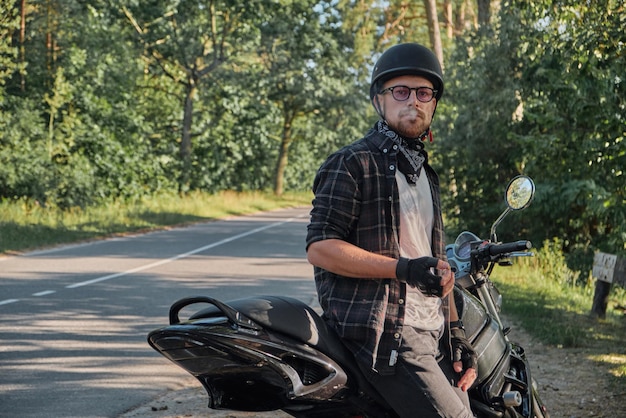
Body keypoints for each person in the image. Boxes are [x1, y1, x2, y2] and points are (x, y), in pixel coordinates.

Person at [306, 43, 477, 418]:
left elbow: (436, 263)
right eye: (400, 91)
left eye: (423, 93)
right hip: (386, 334)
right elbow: (320, 247)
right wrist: (403, 268)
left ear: (433, 103)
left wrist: (456, 329)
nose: (412, 101)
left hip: (433, 334)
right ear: (378, 100)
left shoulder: (426, 175)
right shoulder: (352, 163)